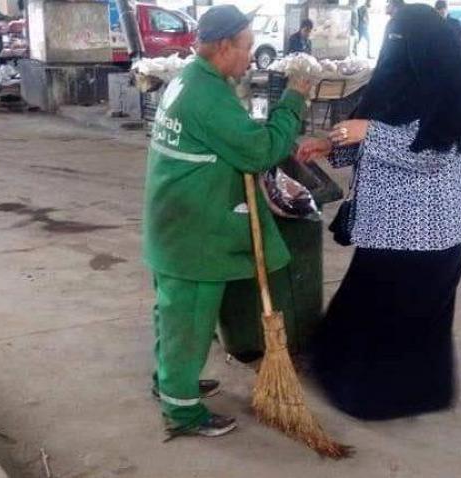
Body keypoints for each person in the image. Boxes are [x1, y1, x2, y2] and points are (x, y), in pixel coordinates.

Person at [296, 4, 461, 420]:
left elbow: (436, 154)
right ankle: (341, 373)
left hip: (428, 229)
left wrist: (370, 132)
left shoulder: (456, 90)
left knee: (401, 319)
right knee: (367, 306)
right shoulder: (396, 81)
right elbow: (366, 125)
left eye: (401, 40)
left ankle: (383, 398)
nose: (393, 47)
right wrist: (332, 142)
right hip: (384, 225)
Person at [142, 5, 310, 438]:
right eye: (247, 48)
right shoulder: (208, 96)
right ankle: (182, 412)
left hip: (172, 224)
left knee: (172, 315)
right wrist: (294, 100)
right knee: (191, 323)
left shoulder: (190, 79)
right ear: (222, 47)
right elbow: (258, 152)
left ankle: (170, 384)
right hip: (194, 234)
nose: (251, 57)